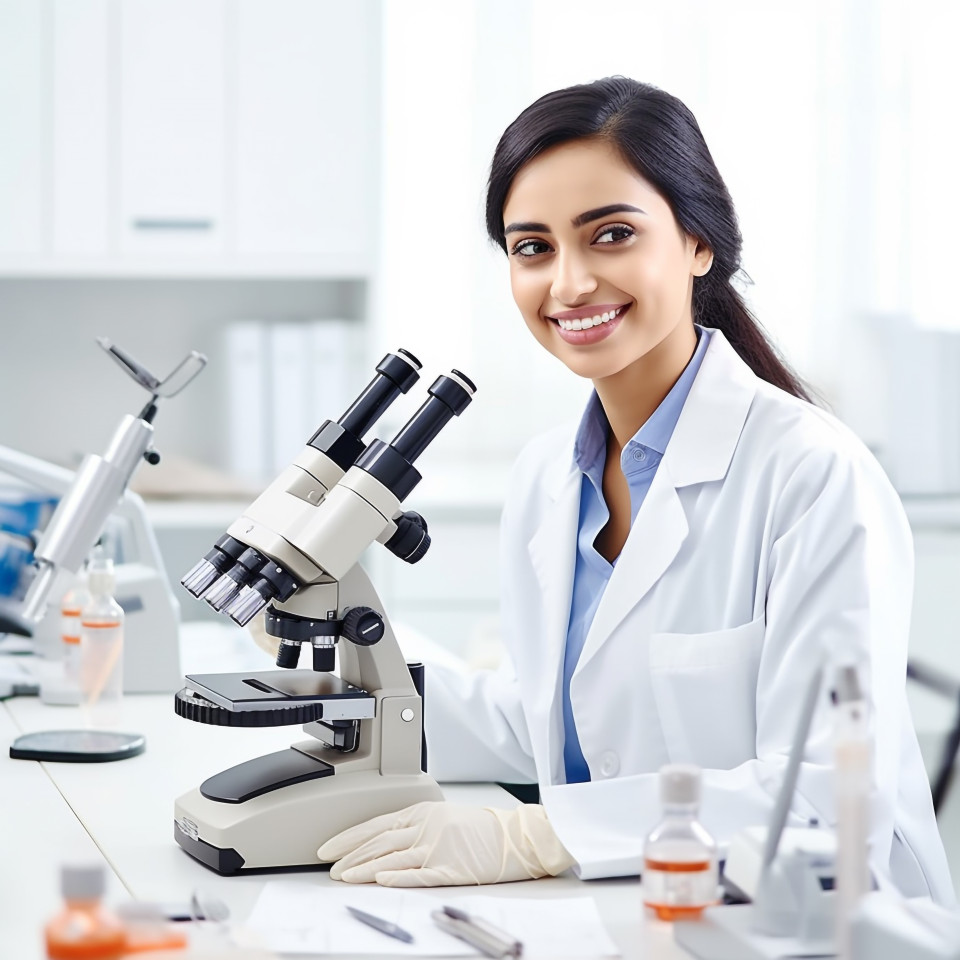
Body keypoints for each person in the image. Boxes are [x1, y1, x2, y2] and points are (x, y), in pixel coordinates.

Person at [315, 76, 953, 902]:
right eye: (532, 247)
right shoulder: (550, 474)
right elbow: (551, 721)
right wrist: (352, 682)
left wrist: (543, 832)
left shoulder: (812, 475)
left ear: (698, 244)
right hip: (624, 912)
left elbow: (833, 804)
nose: (570, 284)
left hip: (804, 926)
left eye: (610, 234)